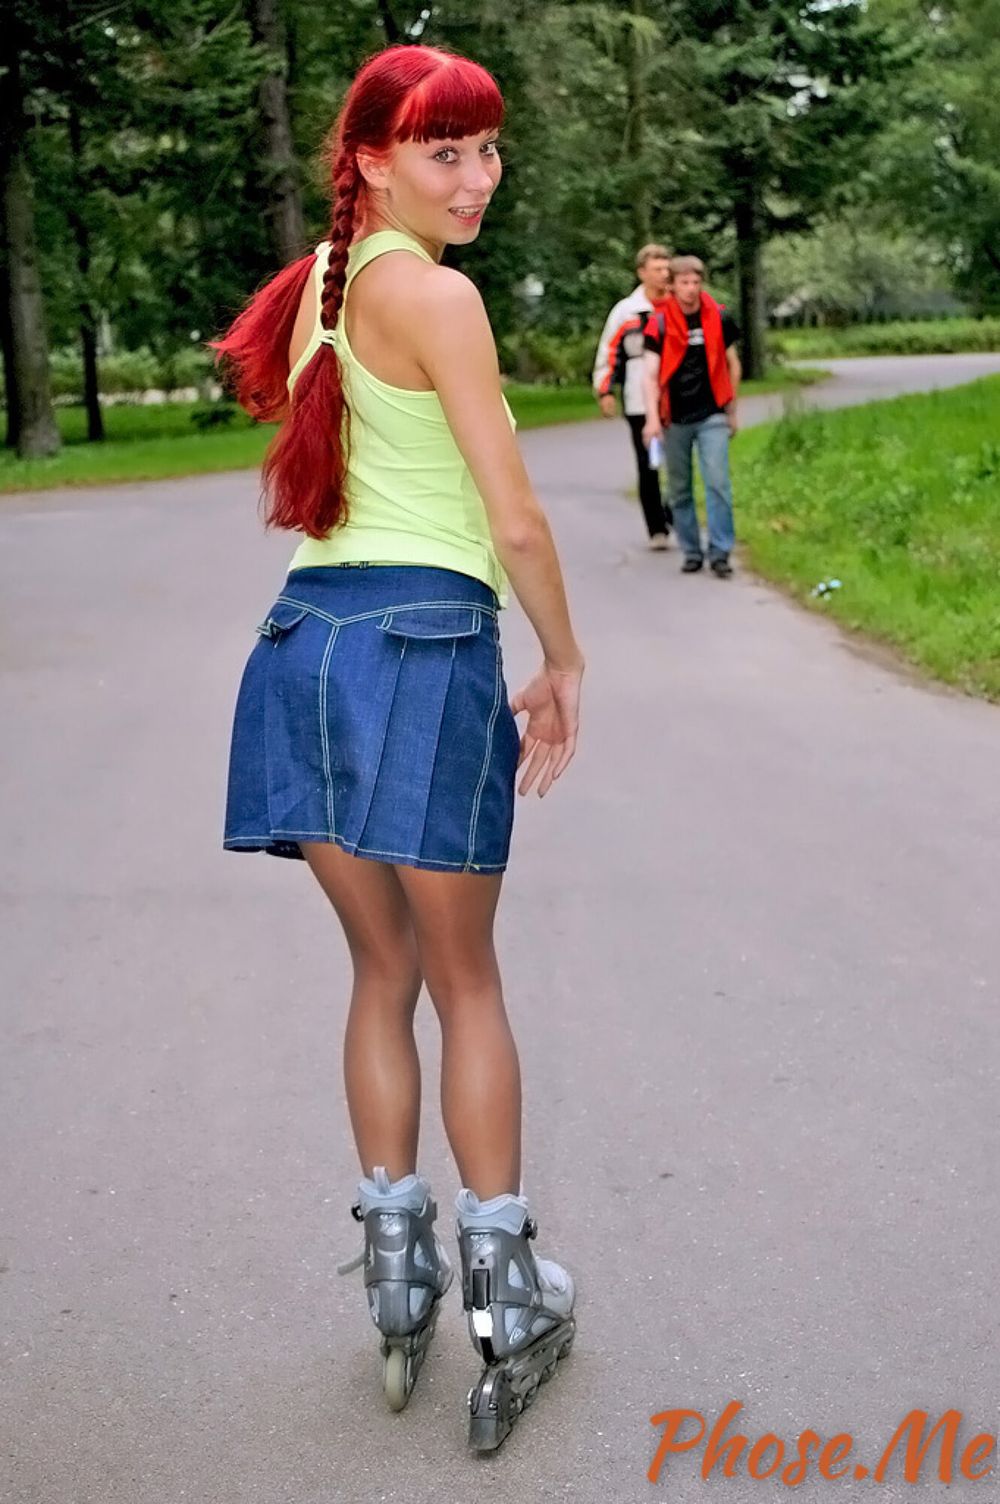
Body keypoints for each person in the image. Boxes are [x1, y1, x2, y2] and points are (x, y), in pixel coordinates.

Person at [213, 44, 581, 1451]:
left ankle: (397, 1267)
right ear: (369, 158)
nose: (478, 178)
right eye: (448, 152)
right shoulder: (435, 292)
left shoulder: (324, 289)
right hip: (421, 649)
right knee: (467, 979)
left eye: (489, 150)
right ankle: (505, 1288)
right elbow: (520, 516)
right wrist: (565, 658)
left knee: (382, 971)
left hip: (299, 647)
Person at [642, 255, 742, 577]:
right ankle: (691, 550)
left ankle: (721, 551)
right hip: (675, 417)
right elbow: (649, 375)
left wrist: (732, 409)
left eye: (696, 283)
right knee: (680, 488)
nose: (691, 289)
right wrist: (652, 419)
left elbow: (732, 363)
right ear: (672, 286)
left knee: (717, 482)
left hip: (712, 412)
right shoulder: (657, 323)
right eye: (684, 283)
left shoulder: (718, 317)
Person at [592, 244, 674, 549]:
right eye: (657, 269)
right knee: (649, 461)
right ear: (642, 272)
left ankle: (674, 513)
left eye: (666, 268)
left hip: (676, 393)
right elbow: (609, 351)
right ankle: (657, 527)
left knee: (678, 460)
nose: (663, 274)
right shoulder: (627, 311)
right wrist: (605, 390)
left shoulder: (677, 304)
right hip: (640, 394)